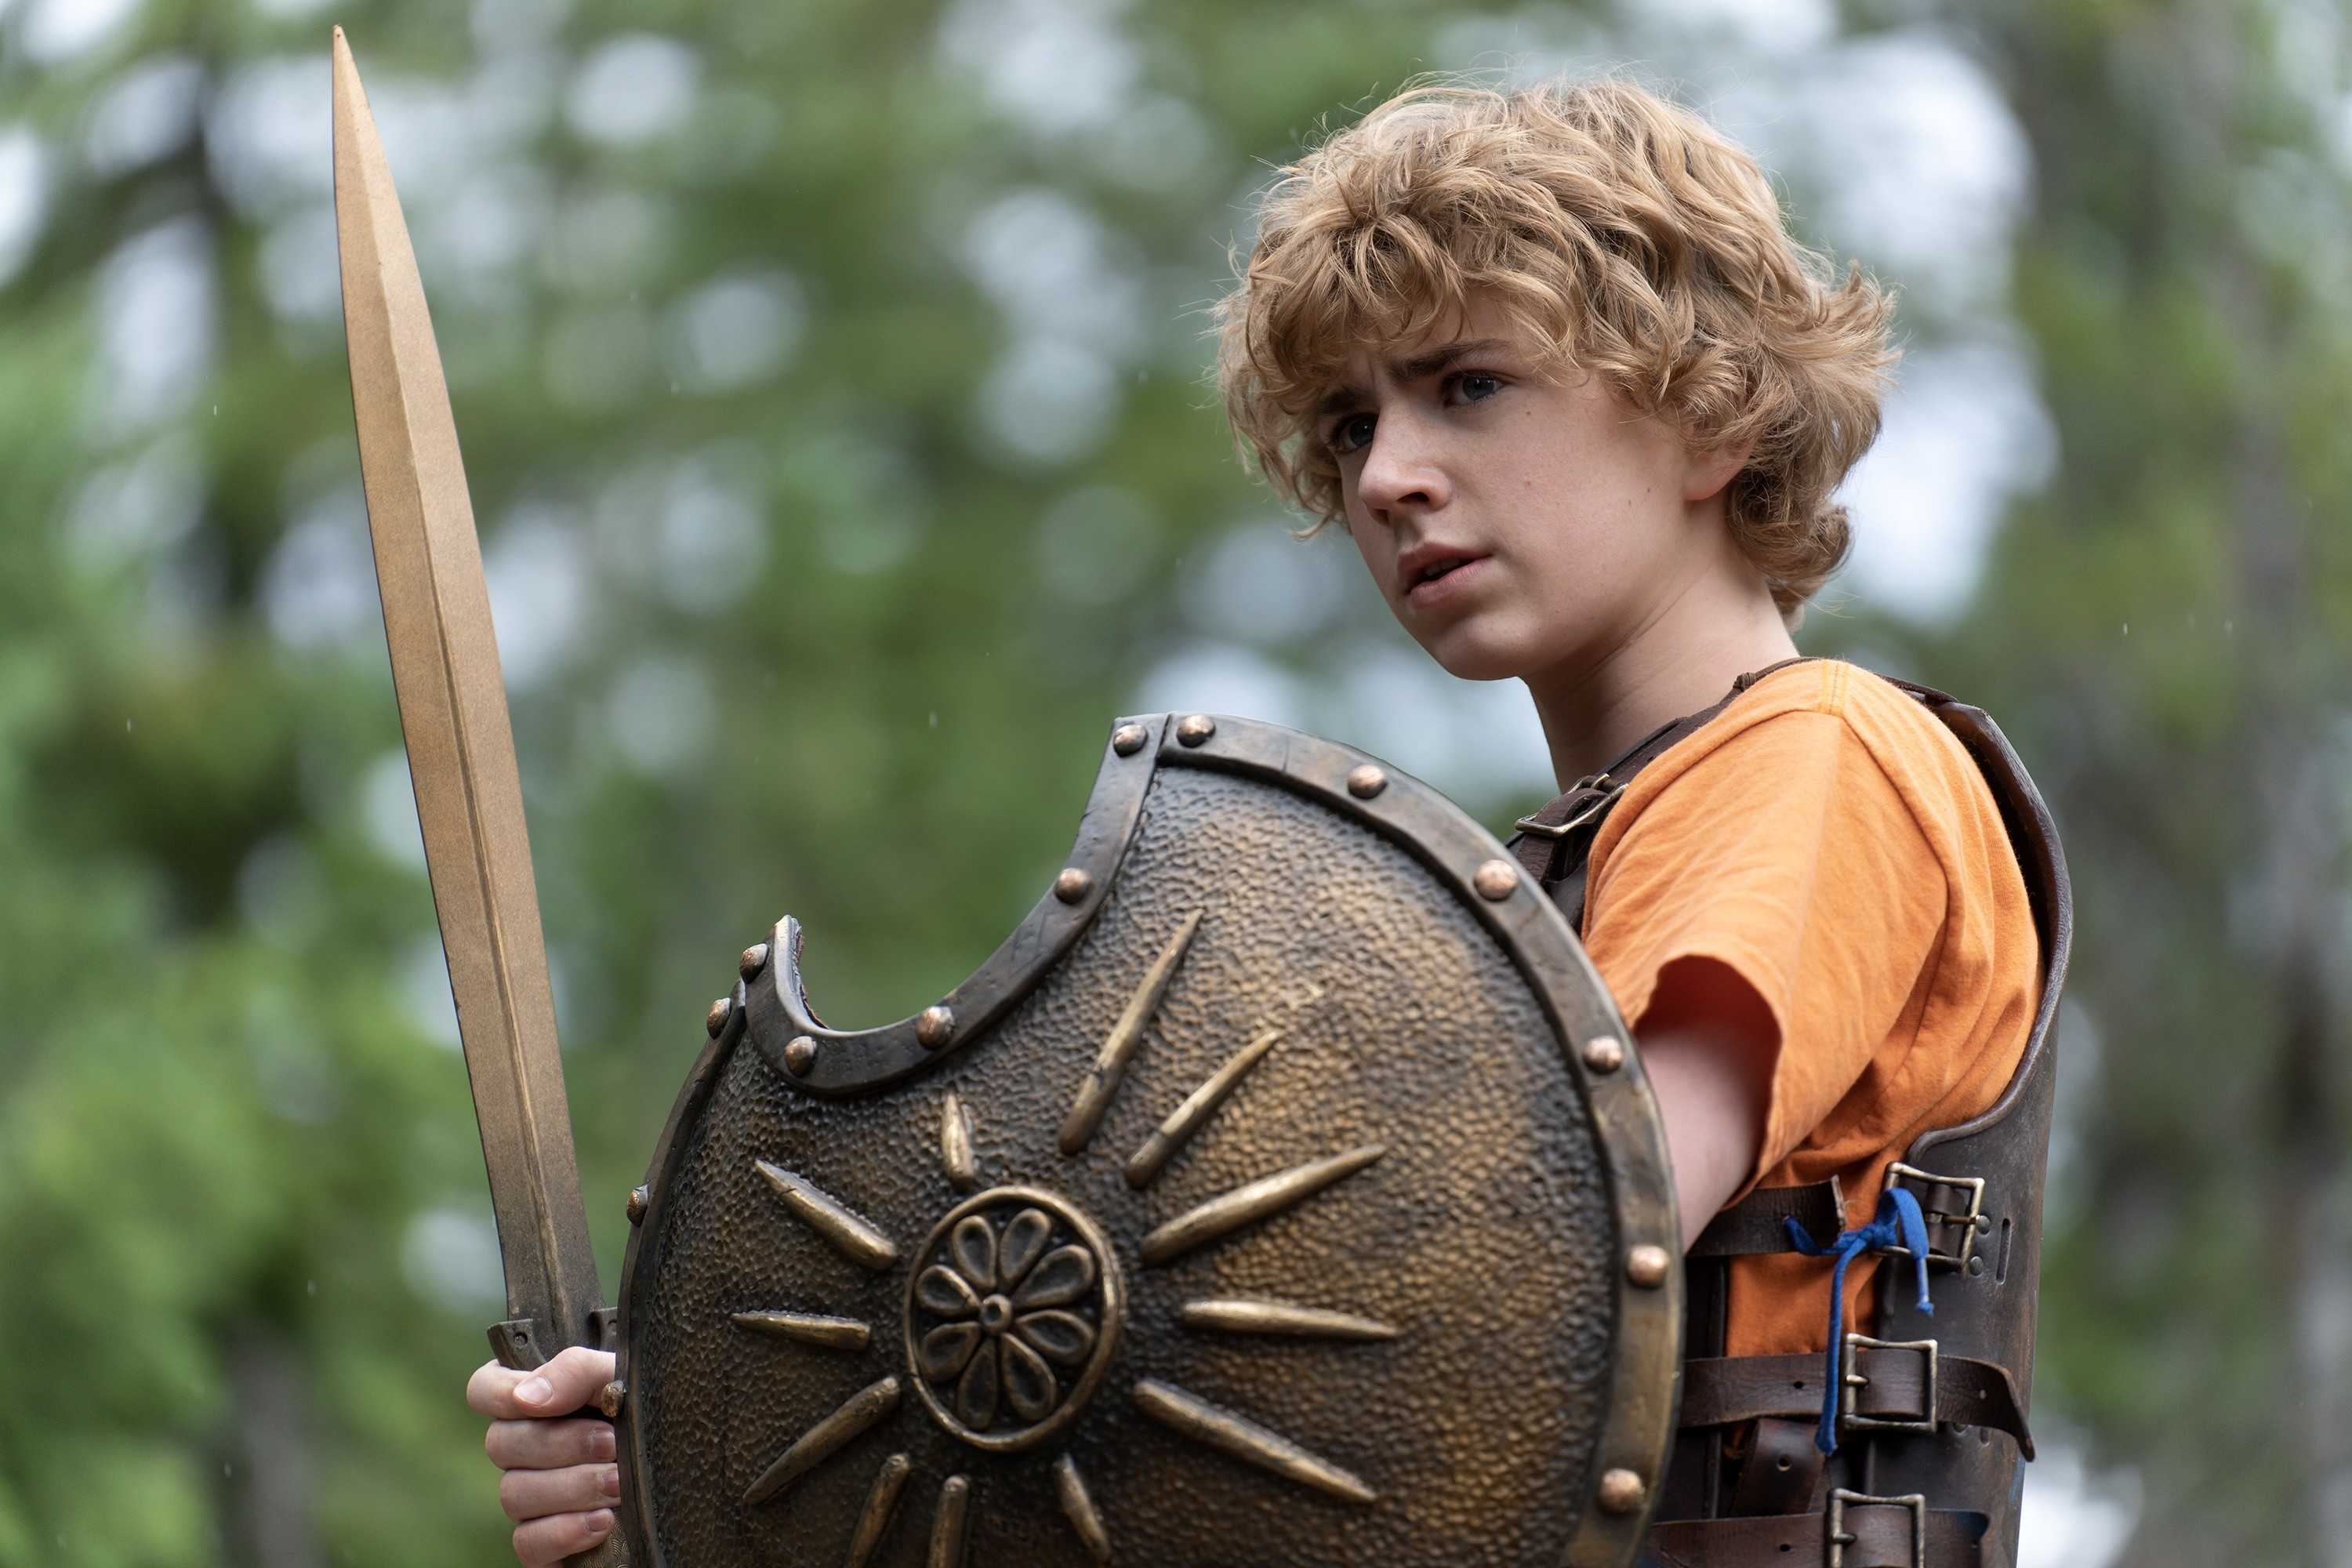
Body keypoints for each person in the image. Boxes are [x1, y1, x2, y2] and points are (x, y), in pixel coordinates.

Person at [471, 77, 2052, 1567]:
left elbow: (1540, 1263)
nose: (1390, 477)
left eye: (1469, 386)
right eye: (1353, 425)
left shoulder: (1819, 756)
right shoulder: (1561, 876)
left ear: (1714, 416)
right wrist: (682, 1433)